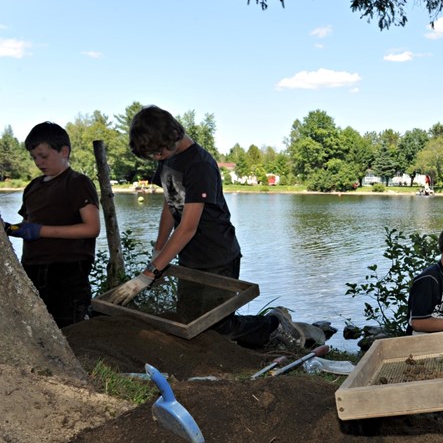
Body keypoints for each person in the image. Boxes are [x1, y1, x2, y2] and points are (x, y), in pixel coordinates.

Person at [106, 105, 303, 350]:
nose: (156, 157)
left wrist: (148, 274)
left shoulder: (199, 164)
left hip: (217, 254)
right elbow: (170, 204)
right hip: (189, 255)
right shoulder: (168, 158)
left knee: (216, 326)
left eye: (158, 152)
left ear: (173, 135)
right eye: (152, 155)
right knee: (189, 322)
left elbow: (188, 227)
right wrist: (159, 251)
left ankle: (275, 325)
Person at [3, 122, 100, 328]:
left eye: (43, 156)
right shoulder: (32, 187)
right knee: (36, 326)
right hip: (32, 267)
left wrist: (41, 231)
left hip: (67, 271)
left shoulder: (77, 182)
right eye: (34, 157)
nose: (38, 162)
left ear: (64, 151)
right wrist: (11, 229)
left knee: (69, 327)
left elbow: (92, 228)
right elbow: (28, 224)